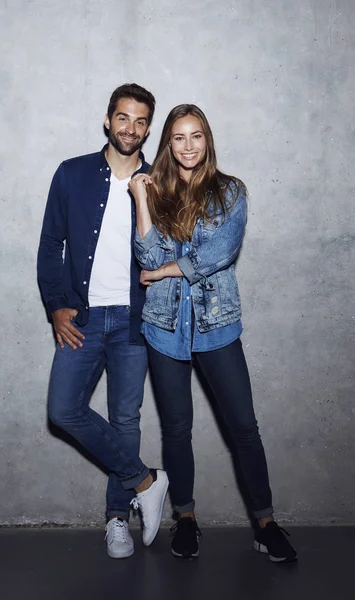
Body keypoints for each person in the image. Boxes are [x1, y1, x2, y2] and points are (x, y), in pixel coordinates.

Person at [129, 104, 297, 563]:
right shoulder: (157, 192)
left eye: (196, 136)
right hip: (164, 327)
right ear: (168, 143)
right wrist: (142, 201)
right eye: (178, 137)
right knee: (177, 430)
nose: (188, 146)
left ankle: (265, 523)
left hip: (216, 326)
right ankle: (186, 518)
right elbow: (146, 258)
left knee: (244, 427)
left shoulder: (230, 192)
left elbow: (217, 253)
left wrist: (167, 269)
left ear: (207, 140)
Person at [37, 83, 168, 559]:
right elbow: (52, 243)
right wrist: (56, 305)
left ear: (148, 128)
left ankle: (117, 518)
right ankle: (146, 481)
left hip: (135, 319)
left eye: (140, 121)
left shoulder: (161, 182)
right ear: (107, 120)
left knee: (125, 418)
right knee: (64, 409)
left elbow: (167, 252)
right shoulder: (72, 174)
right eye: (122, 118)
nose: (130, 128)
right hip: (85, 317)